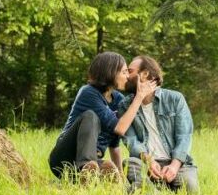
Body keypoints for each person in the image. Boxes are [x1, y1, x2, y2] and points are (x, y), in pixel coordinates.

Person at [48, 51, 158, 181]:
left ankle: (90, 176)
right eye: (123, 72)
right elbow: (120, 128)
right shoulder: (88, 92)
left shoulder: (118, 100)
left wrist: (122, 177)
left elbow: (114, 145)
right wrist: (139, 97)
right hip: (64, 157)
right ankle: (86, 168)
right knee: (90, 116)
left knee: (109, 168)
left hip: (94, 160)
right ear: (110, 73)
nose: (127, 76)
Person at [120, 55, 198, 194]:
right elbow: (131, 141)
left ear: (144, 74)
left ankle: (151, 190)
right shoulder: (125, 105)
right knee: (130, 163)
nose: (126, 75)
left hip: (177, 163)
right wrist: (150, 162)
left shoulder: (175, 99)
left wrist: (174, 166)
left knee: (191, 191)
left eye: (130, 71)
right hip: (146, 162)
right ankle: (153, 191)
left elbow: (184, 136)